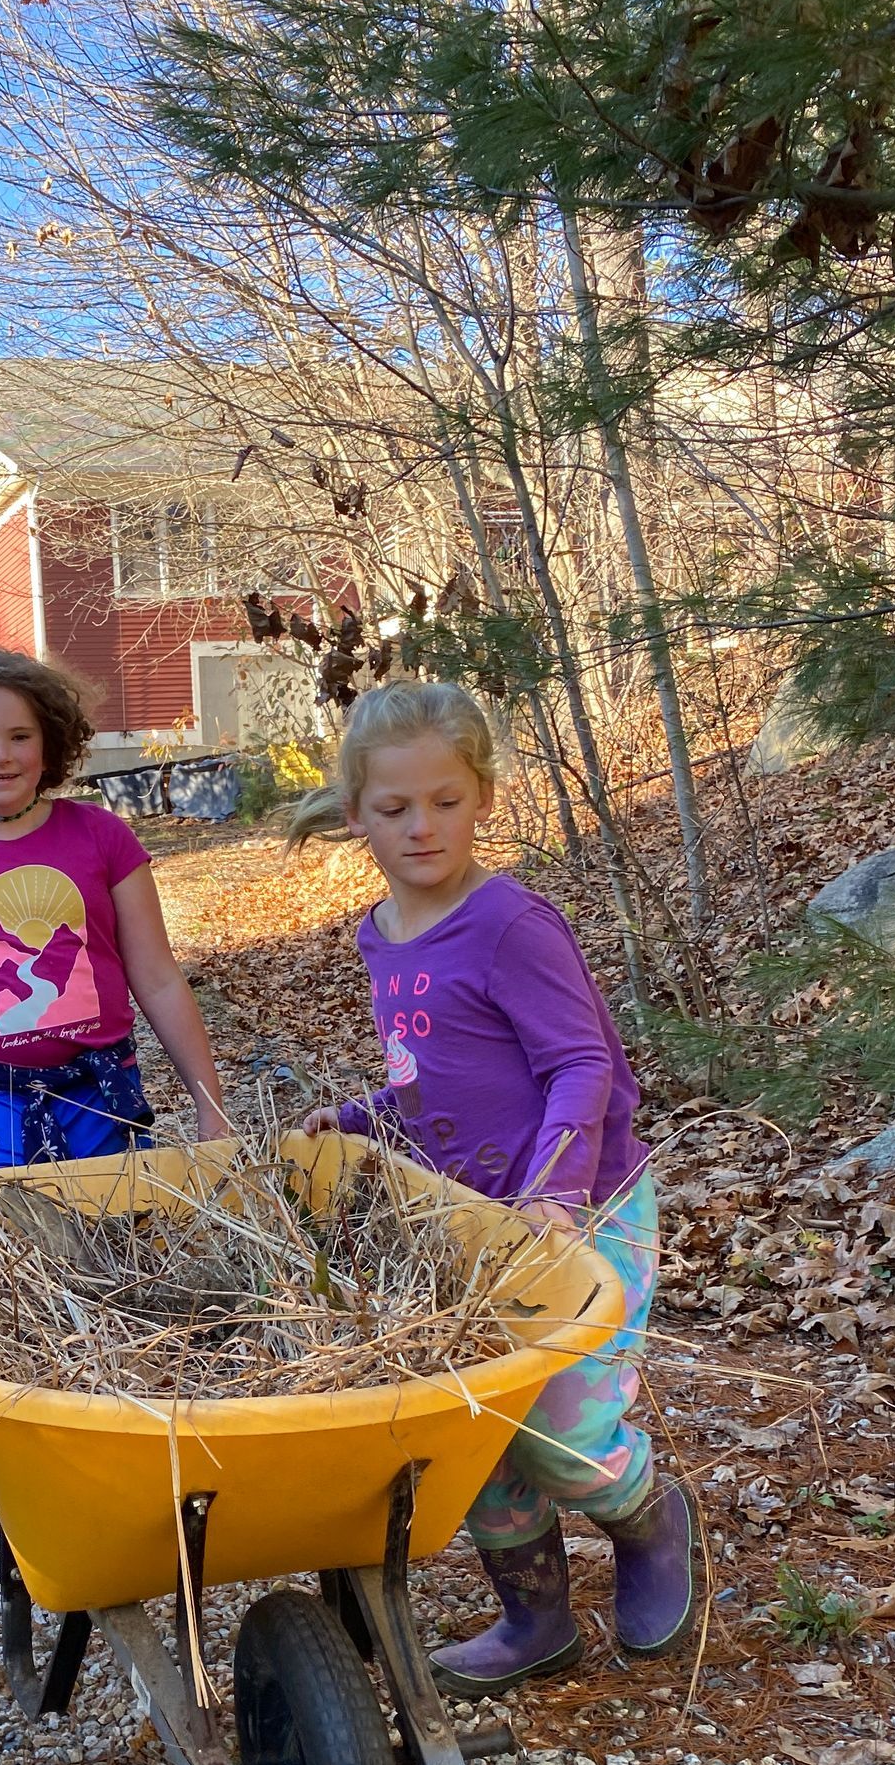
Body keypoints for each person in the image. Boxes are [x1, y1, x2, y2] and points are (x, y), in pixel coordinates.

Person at [293, 680, 698, 1698]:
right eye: (393, 808)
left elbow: (580, 1066)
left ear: (482, 799)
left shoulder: (513, 924)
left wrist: (554, 1192)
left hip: (580, 1213)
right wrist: (352, 1120)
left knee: (562, 1433)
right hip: (473, 1230)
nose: (420, 826)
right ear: (357, 815)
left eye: (444, 800)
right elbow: (422, 1081)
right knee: (475, 1438)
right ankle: (535, 1616)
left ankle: (651, 1519)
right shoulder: (381, 936)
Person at [0, 648, 230, 1175]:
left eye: (20, 735)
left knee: (110, 1237)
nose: (0, 756)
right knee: (6, 1238)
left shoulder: (103, 837)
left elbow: (159, 979)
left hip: (98, 1088)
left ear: (49, 740)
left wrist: (211, 1112)